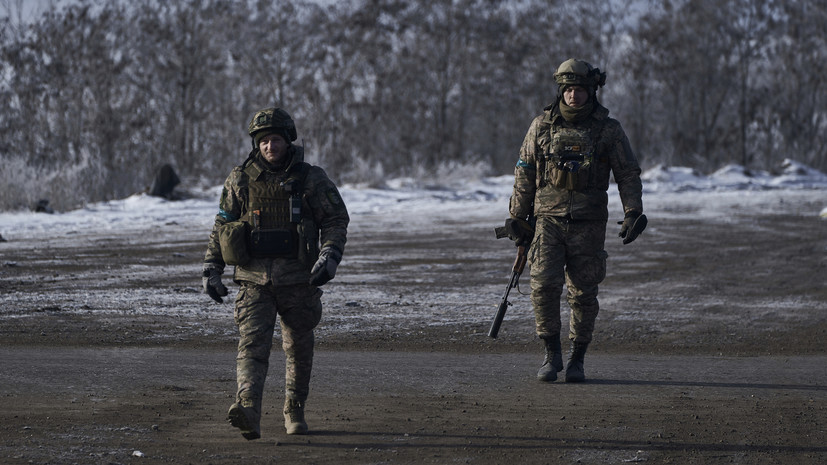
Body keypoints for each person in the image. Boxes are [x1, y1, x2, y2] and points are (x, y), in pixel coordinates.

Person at [202, 107, 349, 438]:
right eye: (265, 141)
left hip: (299, 279)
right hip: (254, 280)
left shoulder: (311, 178)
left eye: (276, 140)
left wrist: (330, 254)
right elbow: (222, 223)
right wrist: (212, 267)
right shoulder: (239, 179)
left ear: (288, 141)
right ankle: (248, 409)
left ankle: (294, 409)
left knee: (298, 346)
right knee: (252, 344)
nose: (270, 147)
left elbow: (336, 219)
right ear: (257, 144)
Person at [504, 58, 646, 383]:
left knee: (583, 294)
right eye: (568, 89)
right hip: (547, 223)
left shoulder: (608, 129)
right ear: (561, 91)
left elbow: (627, 173)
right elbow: (524, 171)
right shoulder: (541, 126)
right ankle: (551, 354)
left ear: (591, 92)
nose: (573, 96)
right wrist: (516, 216)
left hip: (589, 224)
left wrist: (632, 212)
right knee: (542, 287)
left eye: (579, 89)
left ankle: (577, 358)